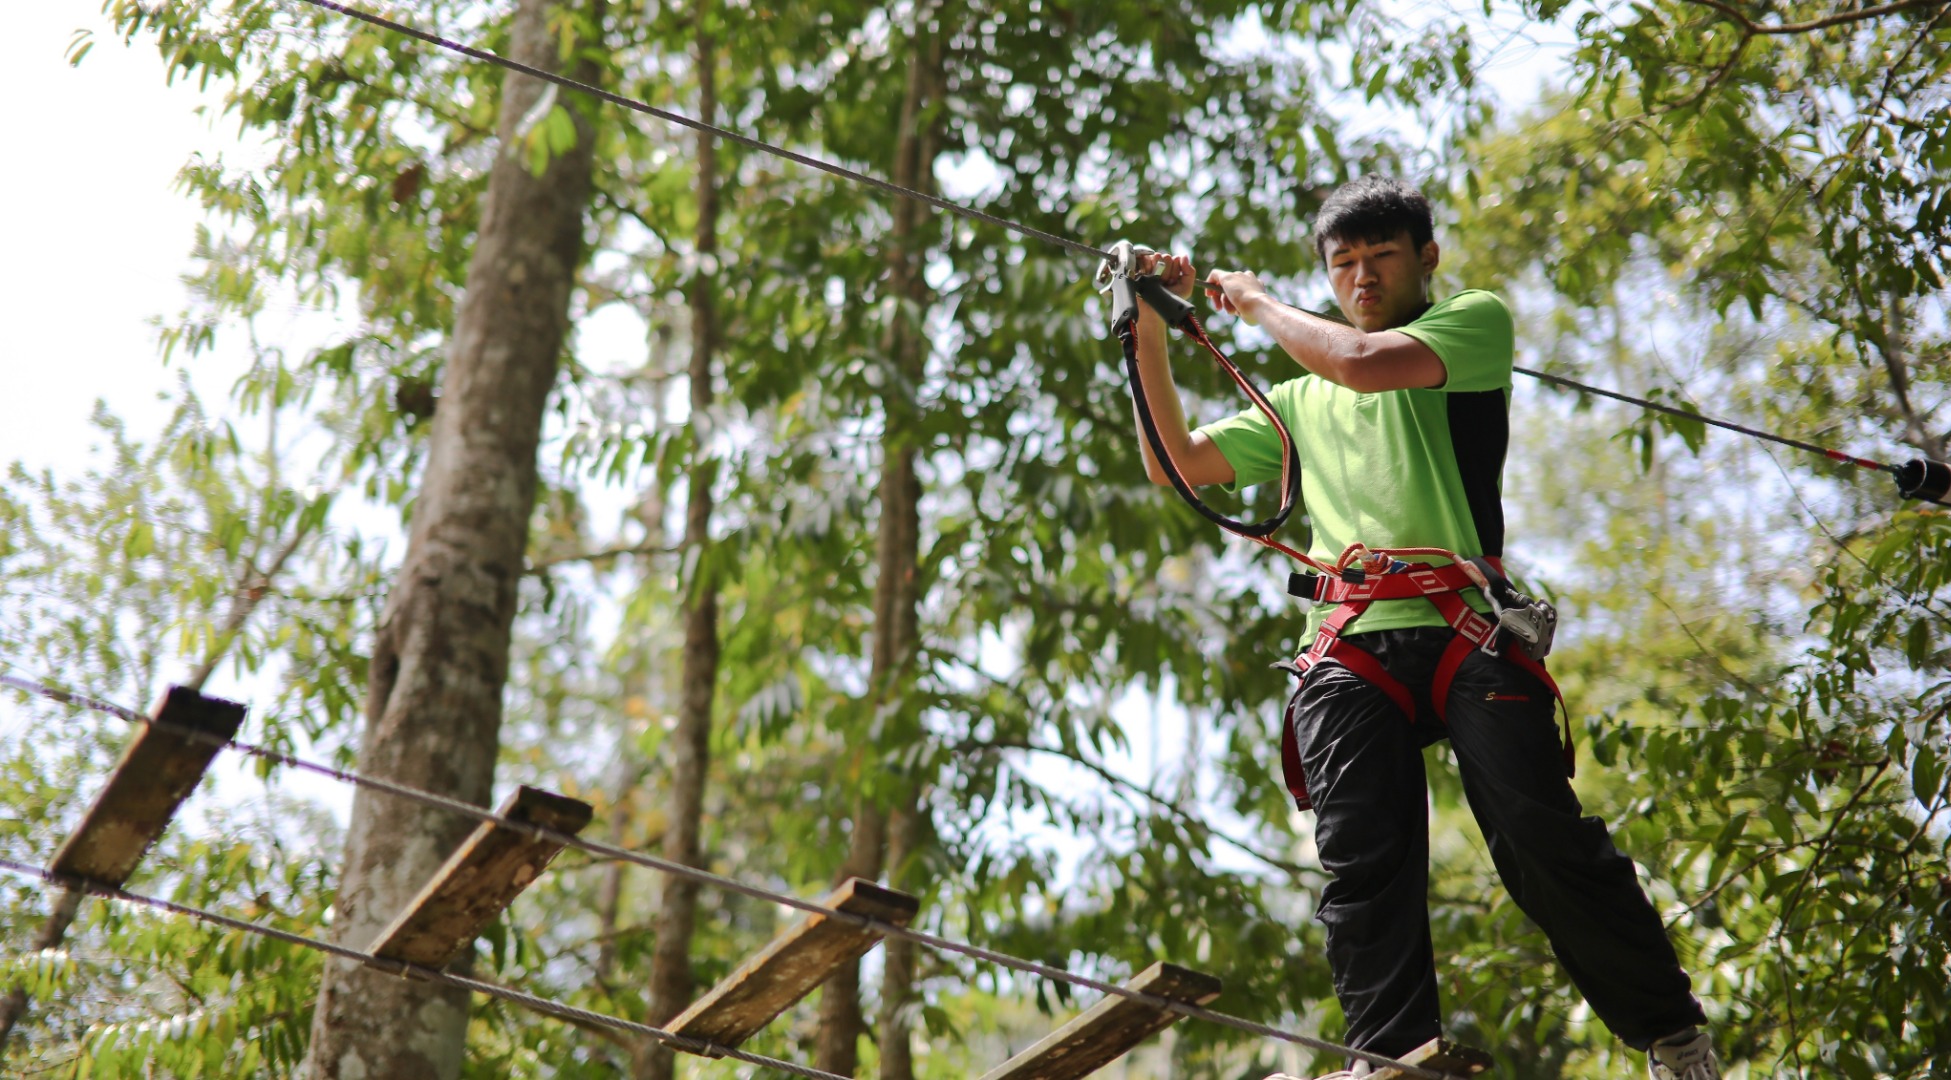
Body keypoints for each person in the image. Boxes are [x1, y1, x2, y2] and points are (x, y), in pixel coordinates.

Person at [1126, 175, 1720, 1080]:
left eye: (1381, 257)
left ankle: (1669, 1034)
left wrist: (1250, 300)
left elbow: (1361, 363)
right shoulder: (1296, 401)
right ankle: (1392, 1060)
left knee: (1538, 834)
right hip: (1349, 638)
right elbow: (1178, 464)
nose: (1360, 278)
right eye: (1342, 264)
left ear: (1425, 259)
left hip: (1463, 626)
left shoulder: (1468, 325)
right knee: (1361, 858)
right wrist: (1141, 325)